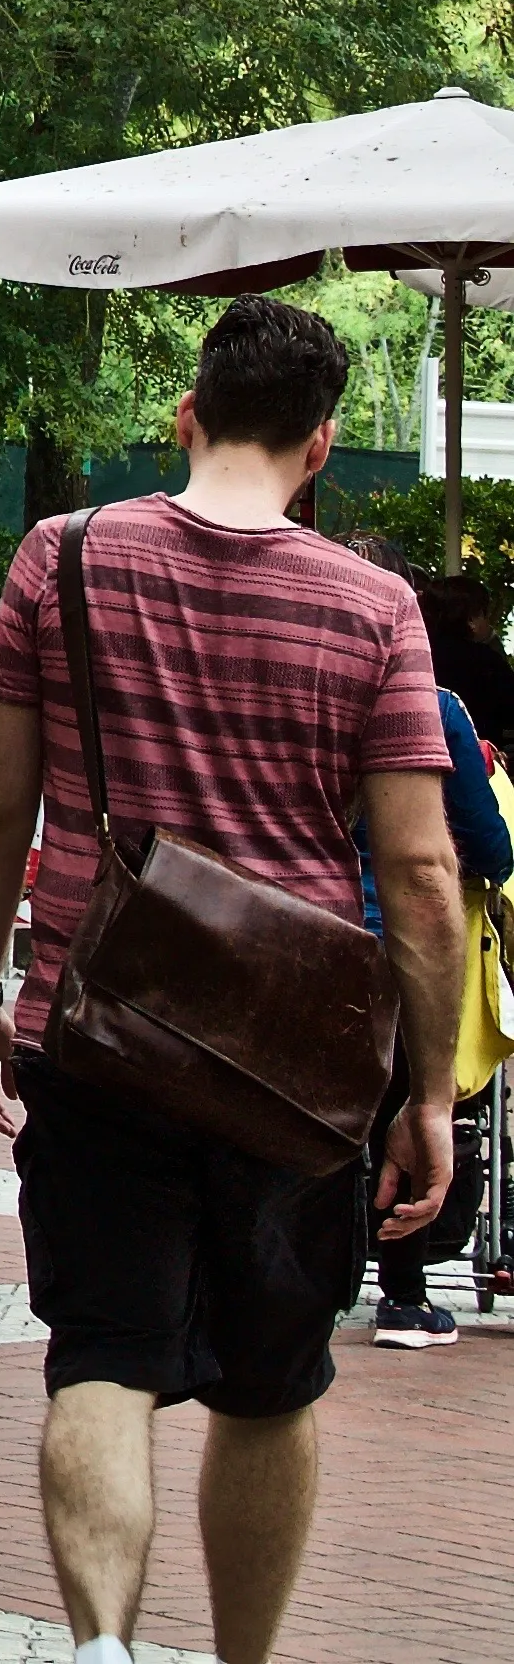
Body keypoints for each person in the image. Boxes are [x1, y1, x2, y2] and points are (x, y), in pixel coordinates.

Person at [0, 295, 459, 1664]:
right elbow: (419, 875)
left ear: (187, 413)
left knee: (102, 1357)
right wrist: (433, 1091)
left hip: (99, 1030)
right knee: (272, 1387)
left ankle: (104, 1647)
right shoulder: (377, 607)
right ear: (325, 447)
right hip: (295, 1064)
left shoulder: (61, 561)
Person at [364, 568, 511, 1348]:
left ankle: (297, 1282)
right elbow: (489, 845)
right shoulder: (439, 710)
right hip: (396, 942)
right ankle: (404, 1293)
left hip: (292, 936)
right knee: (413, 1101)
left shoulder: (289, 692)